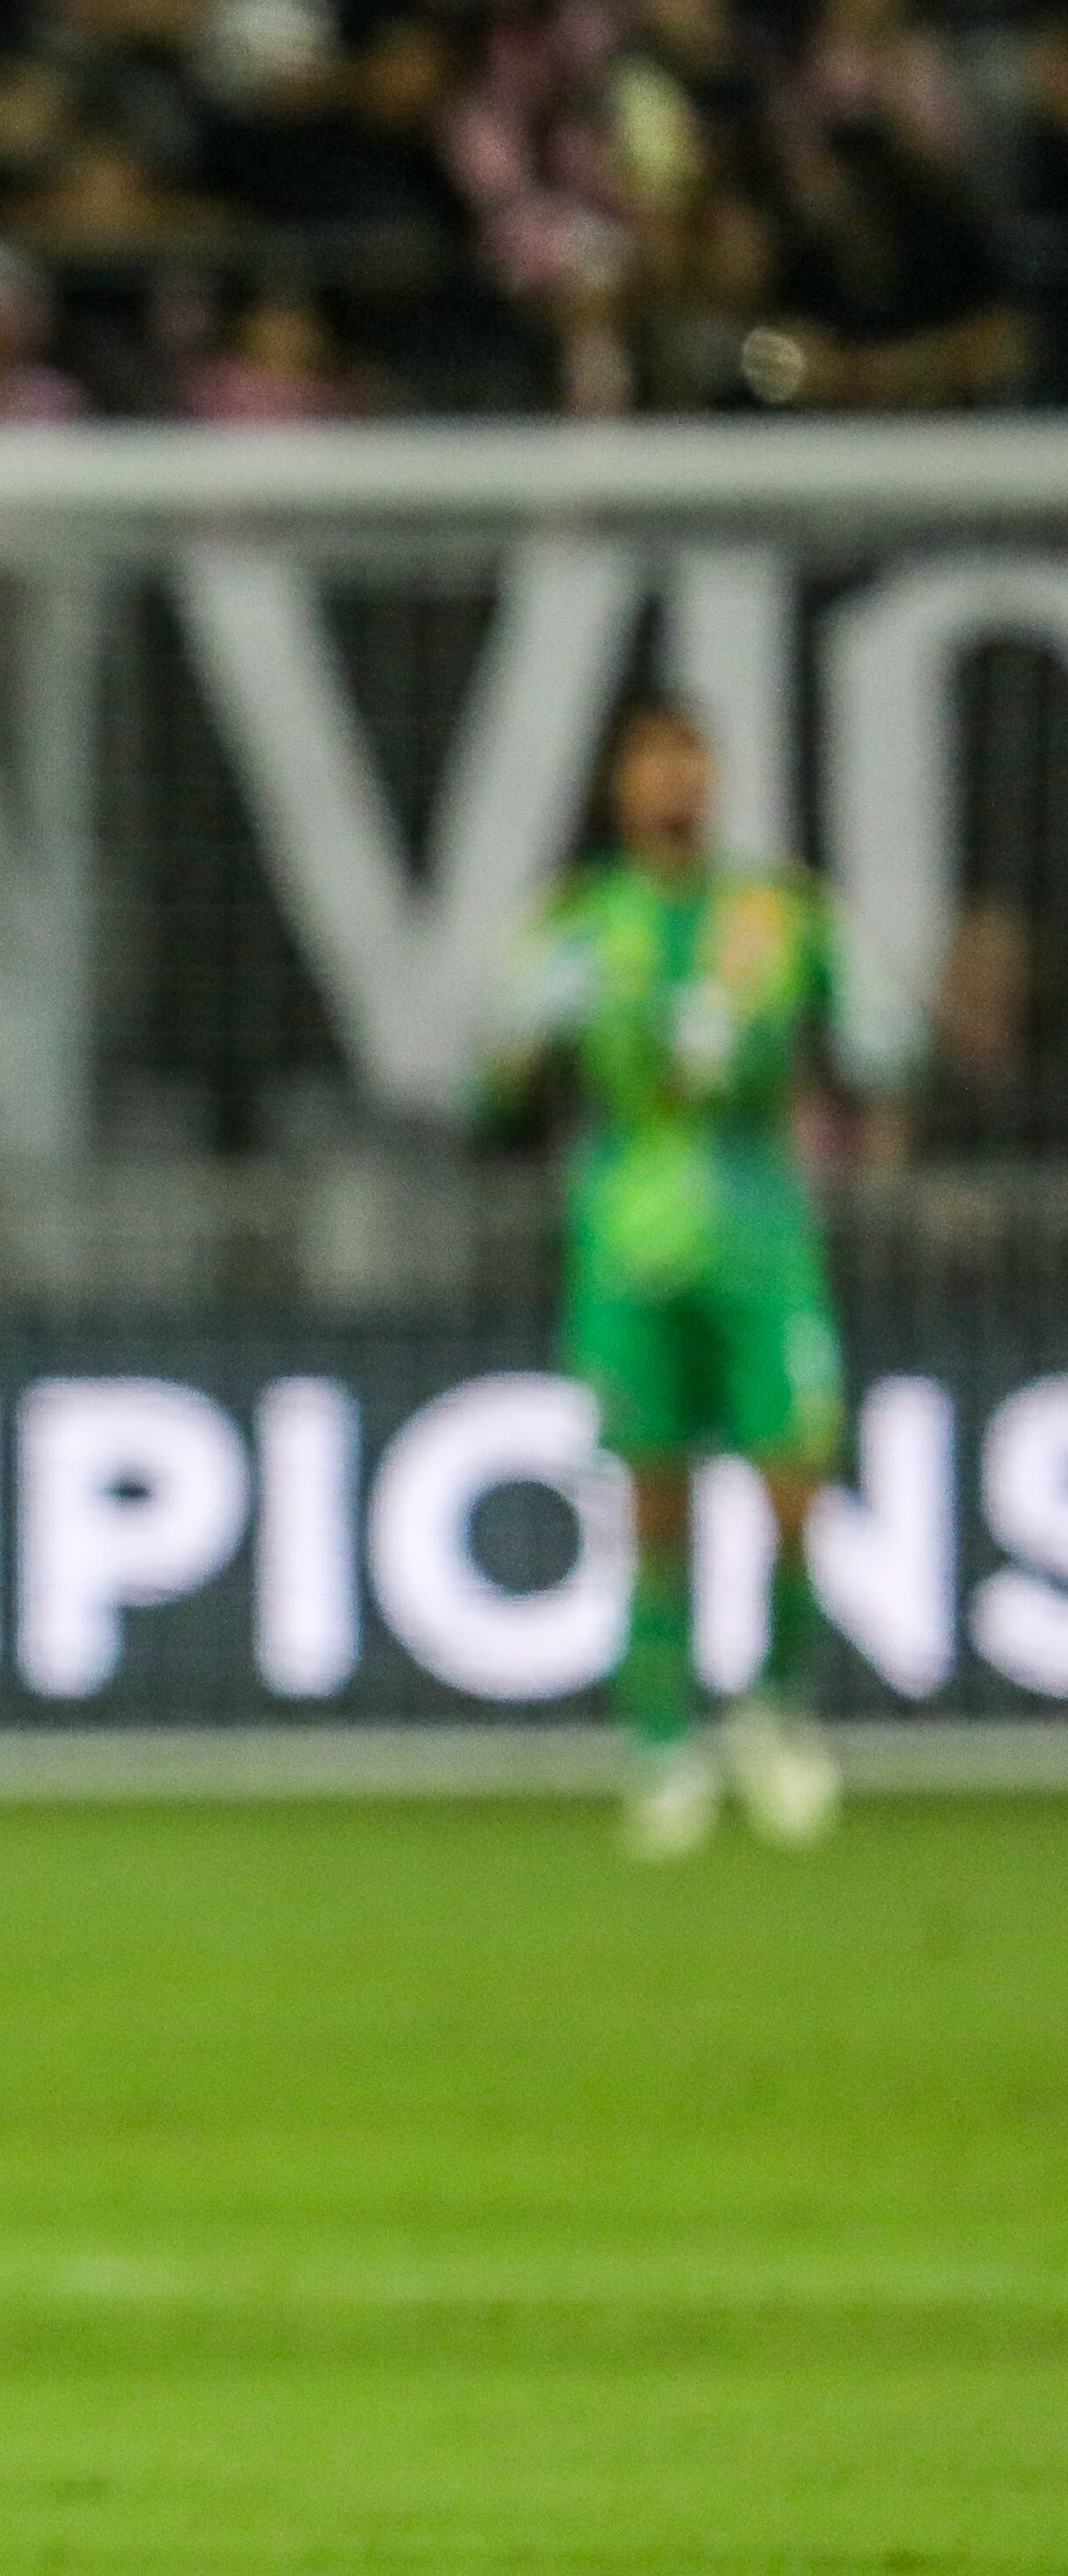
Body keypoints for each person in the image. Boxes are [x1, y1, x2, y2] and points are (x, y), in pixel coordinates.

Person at [486, 697, 912, 1860]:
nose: (673, 783)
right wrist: (524, 1035)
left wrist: (868, 1067)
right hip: (629, 1240)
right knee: (651, 1495)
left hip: (762, 1234)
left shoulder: (779, 912)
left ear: (715, 778)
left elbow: (884, 1044)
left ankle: (777, 1706)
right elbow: (493, 1087)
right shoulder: (581, 920)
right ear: (620, 786)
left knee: (796, 1482)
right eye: (653, 763)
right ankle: (662, 1743)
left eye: (690, 761)